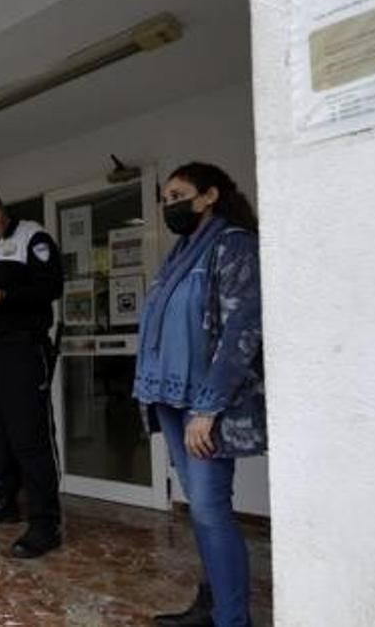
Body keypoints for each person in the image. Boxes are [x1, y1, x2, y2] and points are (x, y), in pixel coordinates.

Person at [133, 162, 266, 627]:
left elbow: (241, 333)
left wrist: (206, 410)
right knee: (200, 511)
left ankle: (233, 620)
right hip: (170, 397)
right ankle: (210, 606)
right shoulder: (181, 252)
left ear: (209, 196)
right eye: (166, 198)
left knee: (210, 511)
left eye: (179, 195)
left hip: (203, 403)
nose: (171, 205)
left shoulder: (234, 245)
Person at [0, 186, 65, 559]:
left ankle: (45, 522)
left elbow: (51, 287)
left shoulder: (32, 237)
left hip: (23, 348)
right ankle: (5, 501)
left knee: (29, 435)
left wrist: (3, 296)